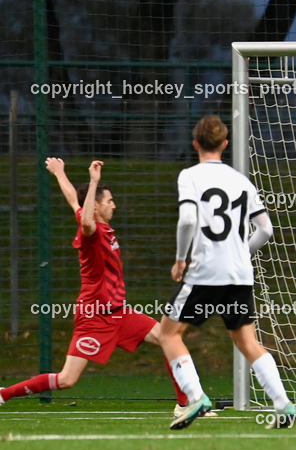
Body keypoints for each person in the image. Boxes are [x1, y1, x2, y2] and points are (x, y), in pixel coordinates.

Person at [0, 159, 192, 409]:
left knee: (168, 338)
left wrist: (60, 173)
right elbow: (86, 220)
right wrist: (93, 182)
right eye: (109, 201)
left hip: (119, 313)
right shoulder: (90, 232)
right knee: (67, 379)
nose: (114, 205)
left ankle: (185, 404)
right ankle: (4, 394)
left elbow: (72, 200)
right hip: (94, 316)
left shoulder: (99, 225)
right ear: (97, 206)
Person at [161, 115, 296, 430]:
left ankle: (196, 397)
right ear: (224, 144)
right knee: (247, 340)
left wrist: (181, 259)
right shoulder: (241, 181)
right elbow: (266, 229)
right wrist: (240, 252)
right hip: (239, 273)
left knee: (169, 333)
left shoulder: (190, 176)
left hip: (205, 271)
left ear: (195, 144)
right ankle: (283, 404)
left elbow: (187, 221)